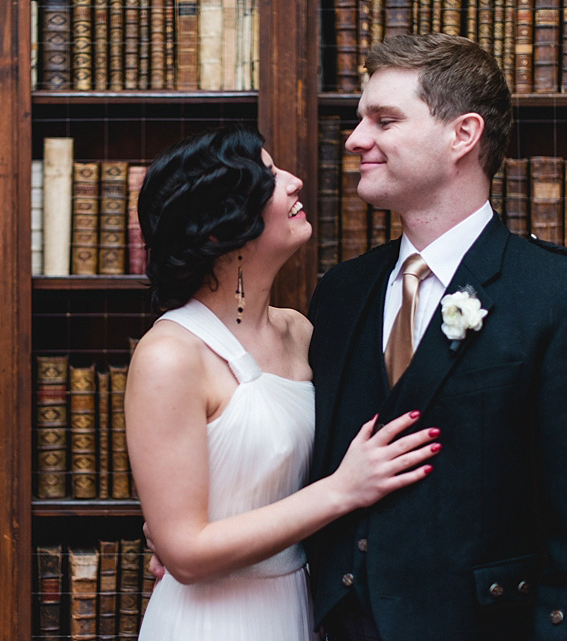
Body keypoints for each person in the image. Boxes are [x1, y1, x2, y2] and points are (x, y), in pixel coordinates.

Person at [306, 33, 567, 641]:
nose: (356, 140)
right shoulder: (341, 293)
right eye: (360, 120)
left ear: (462, 135)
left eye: (383, 120)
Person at [125, 125, 441, 641]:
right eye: (269, 177)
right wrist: (342, 490)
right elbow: (184, 553)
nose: (295, 182)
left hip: (299, 606)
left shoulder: (301, 330)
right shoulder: (170, 355)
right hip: (213, 621)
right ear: (218, 228)